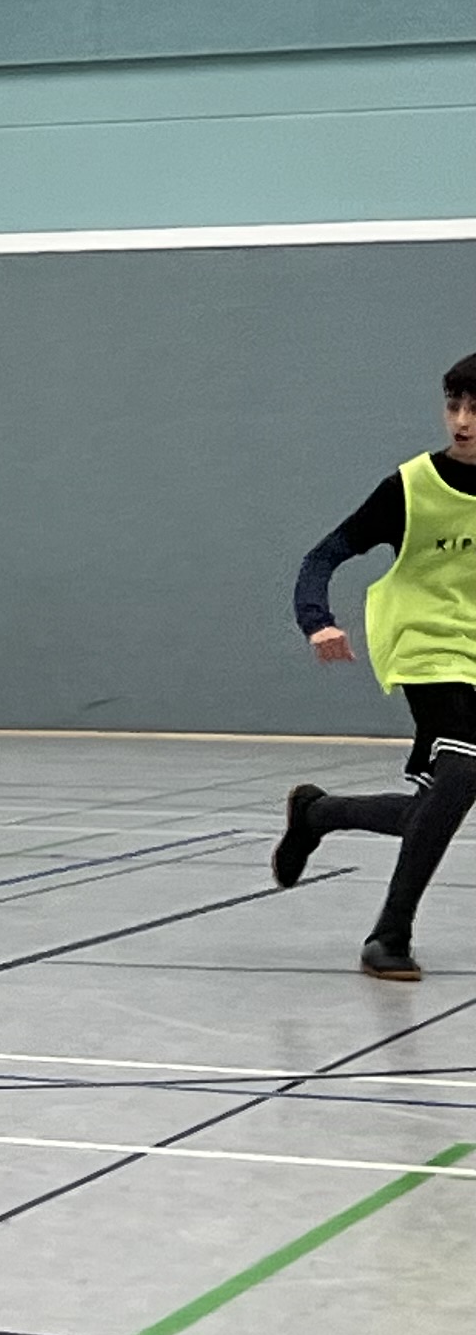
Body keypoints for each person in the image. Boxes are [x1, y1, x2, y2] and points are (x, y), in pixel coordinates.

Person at [274, 351, 476, 980]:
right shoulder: (411, 487)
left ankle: (317, 813)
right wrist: (317, 620)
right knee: (465, 768)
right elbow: (322, 555)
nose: (462, 422)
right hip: (424, 646)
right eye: (454, 406)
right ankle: (388, 937)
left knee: (436, 804)